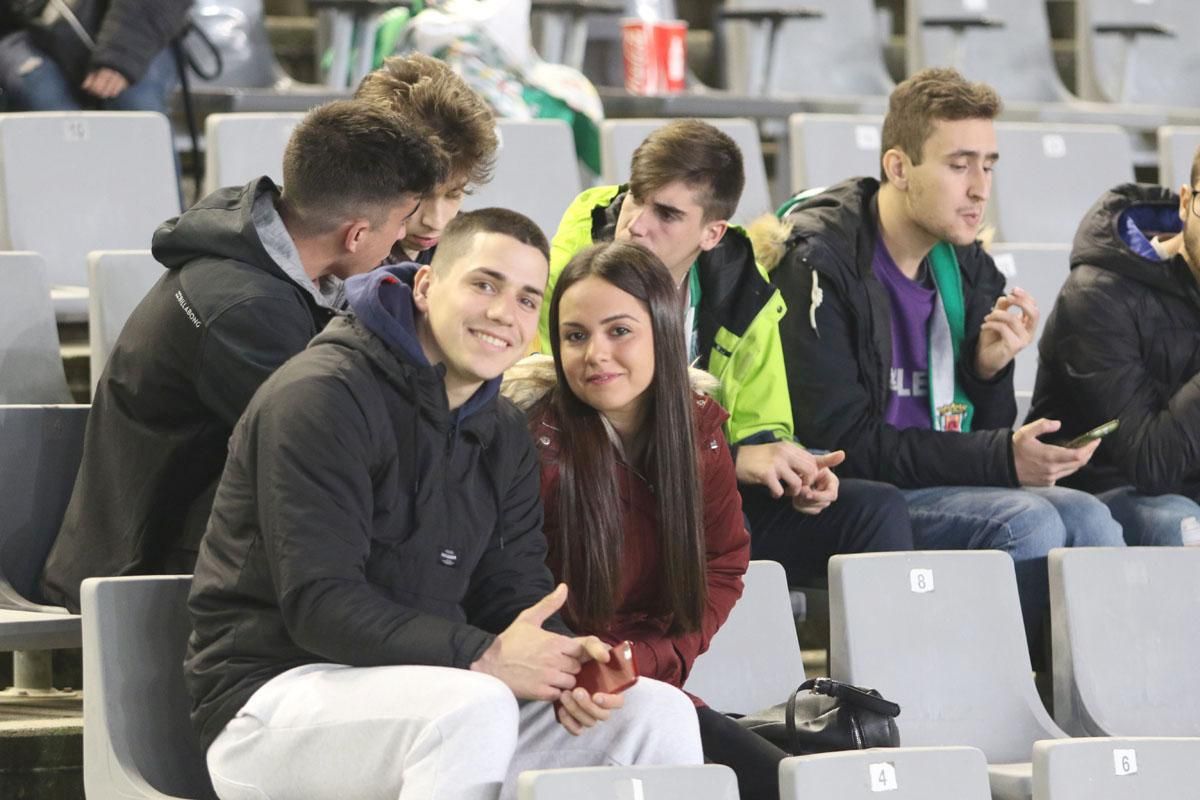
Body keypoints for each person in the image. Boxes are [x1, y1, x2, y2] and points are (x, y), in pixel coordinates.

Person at [185, 209, 702, 800]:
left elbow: (510, 592)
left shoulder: (503, 429)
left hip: (434, 696)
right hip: (272, 700)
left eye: (528, 300)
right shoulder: (321, 397)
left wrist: (568, 663)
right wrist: (483, 655)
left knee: (655, 716)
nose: (505, 313)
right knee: (471, 704)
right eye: (485, 284)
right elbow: (319, 605)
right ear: (426, 286)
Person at [758, 67, 1124, 650]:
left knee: (1091, 518)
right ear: (899, 168)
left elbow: (982, 432)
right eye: (960, 165)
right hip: (859, 497)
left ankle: (1097, 706)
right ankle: (984, 701)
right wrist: (1003, 460)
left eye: (989, 164)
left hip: (934, 481)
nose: (980, 188)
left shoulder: (965, 263)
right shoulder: (818, 263)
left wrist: (989, 371)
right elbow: (841, 442)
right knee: (1028, 522)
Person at [39, 100, 444, 612]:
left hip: (198, 548)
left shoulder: (263, 256)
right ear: (357, 234)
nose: (403, 239)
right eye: (402, 221)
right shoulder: (245, 310)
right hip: (151, 573)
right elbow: (336, 450)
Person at [545, 119, 912, 590]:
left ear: (712, 233)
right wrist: (733, 458)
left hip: (706, 481)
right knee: (717, 523)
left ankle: (882, 665)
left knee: (876, 512)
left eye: (667, 214)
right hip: (606, 488)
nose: (635, 225)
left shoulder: (741, 286)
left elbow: (763, 423)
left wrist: (787, 468)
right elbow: (566, 421)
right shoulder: (575, 268)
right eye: (635, 197)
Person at [503, 240, 787, 800]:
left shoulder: (700, 425)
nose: (595, 355)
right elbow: (512, 588)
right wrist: (586, 672)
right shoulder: (531, 440)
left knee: (789, 782)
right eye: (575, 336)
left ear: (663, 327)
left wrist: (650, 659)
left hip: (652, 681)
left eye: (619, 331)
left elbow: (723, 566)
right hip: (560, 696)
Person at [1029, 166, 1200, 545]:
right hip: (1102, 491)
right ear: (1186, 202)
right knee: (1184, 526)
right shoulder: (1098, 294)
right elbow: (1148, 462)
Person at [355, 52, 499, 265]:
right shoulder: (343, 259)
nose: (435, 221)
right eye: (419, 197)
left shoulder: (473, 254)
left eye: (454, 194)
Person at [0, 0, 190, 114]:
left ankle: (152, 179)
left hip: (136, 27)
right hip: (28, 34)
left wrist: (123, 53)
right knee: (43, 94)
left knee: (134, 104)